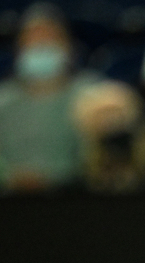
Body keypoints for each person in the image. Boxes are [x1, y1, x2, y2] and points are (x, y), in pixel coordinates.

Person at [0, 3, 101, 192]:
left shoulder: (91, 94)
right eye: (33, 40)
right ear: (18, 50)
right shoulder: (3, 100)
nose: (41, 45)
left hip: (77, 199)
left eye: (49, 38)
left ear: (68, 47)